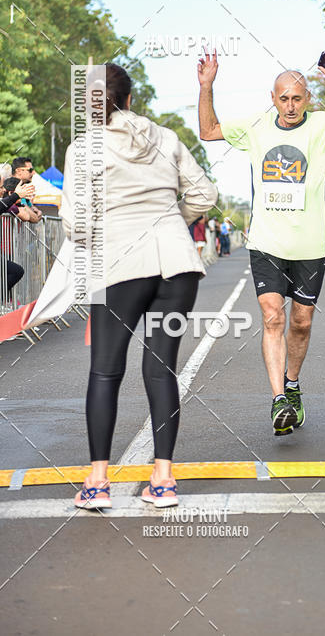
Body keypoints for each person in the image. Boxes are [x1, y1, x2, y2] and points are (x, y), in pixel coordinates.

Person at [60, 63, 218, 510]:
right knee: (161, 368)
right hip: (177, 265)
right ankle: (164, 481)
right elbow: (205, 195)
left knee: (105, 370)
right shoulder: (166, 138)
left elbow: (74, 222)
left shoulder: (82, 148)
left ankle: (97, 482)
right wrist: (170, 224)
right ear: (130, 99)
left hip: (117, 267)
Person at [197, 50, 325, 435]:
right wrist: (207, 86)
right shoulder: (257, 127)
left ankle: (293, 384)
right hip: (266, 243)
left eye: (297, 98)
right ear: (273, 97)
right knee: (273, 317)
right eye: (284, 98)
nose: (291, 105)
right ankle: (279, 398)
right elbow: (209, 130)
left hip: (311, 247)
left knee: (301, 322)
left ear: (308, 98)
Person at [0, 179, 35, 300]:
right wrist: (16, 195)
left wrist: (26, 202)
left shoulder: (5, 202)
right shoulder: (5, 202)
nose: (3, 189)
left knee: (17, 271)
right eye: (0, 187)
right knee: (16, 271)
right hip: (5, 250)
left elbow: (32, 217)